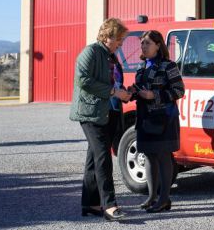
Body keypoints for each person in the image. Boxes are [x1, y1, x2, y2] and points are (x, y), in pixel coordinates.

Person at [69, 18, 132, 221]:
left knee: (93, 158)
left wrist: (122, 92)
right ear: (107, 36)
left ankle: (90, 203)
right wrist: (114, 91)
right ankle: (109, 205)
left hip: (107, 112)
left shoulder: (110, 56)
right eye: (119, 39)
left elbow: (113, 80)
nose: (121, 43)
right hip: (90, 113)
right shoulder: (90, 52)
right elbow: (83, 80)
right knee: (103, 157)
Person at [130, 30, 185, 213]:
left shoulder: (168, 66)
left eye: (147, 43)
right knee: (149, 156)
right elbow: (139, 88)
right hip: (145, 117)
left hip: (164, 118)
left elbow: (179, 91)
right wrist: (131, 92)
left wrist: (154, 95)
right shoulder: (142, 65)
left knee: (162, 156)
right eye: (142, 43)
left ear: (158, 45)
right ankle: (152, 197)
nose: (143, 46)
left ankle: (164, 199)